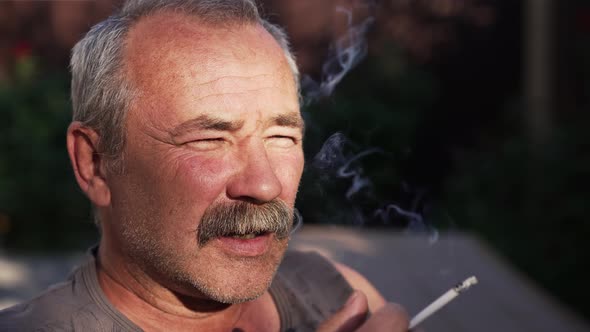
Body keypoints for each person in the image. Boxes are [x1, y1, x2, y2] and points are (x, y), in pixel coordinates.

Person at [0, 0, 409, 331]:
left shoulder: (339, 296)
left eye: (282, 137)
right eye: (209, 140)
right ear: (95, 163)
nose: (264, 185)